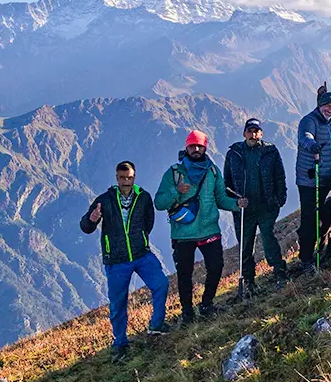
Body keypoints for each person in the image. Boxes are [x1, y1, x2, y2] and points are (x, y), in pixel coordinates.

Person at [81, 161, 170, 362]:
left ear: (134, 176)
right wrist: (93, 219)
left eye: (129, 177)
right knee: (118, 304)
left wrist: (141, 240)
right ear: (116, 177)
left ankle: (156, 325)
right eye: (122, 178)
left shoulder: (143, 197)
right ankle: (120, 344)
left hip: (142, 254)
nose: (126, 181)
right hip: (117, 260)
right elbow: (85, 226)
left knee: (161, 284)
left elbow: (149, 222)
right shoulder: (104, 200)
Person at [155, 130, 238, 322]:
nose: (196, 149)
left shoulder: (213, 171)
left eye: (200, 146)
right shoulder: (174, 173)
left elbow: (221, 199)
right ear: (186, 147)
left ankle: (207, 304)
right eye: (192, 146)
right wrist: (176, 191)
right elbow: (159, 202)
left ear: (205, 147)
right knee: (184, 274)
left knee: (216, 267)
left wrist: (237, 205)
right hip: (183, 233)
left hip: (209, 229)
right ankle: (187, 313)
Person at [224, 118, 288, 299]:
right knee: (245, 245)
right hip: (243, 209)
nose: (253, 135)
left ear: (261, 133)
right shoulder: (234, 153)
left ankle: (279, 270)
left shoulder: (270, 151)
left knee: (269, 238)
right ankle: (249, 281)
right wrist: (234, 203)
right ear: (244, 133)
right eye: (250, 131)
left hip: (267, 206)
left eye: (256, 131)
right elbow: (226, 181)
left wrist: (279, 200)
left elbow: (279, 176)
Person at [296, 92, 331, 272]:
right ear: (320, 105)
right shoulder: (309, 120)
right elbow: (305, 137)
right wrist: (312, 145)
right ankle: (306, 258)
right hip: (311, 179)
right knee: (310, 218)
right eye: (328, 106)